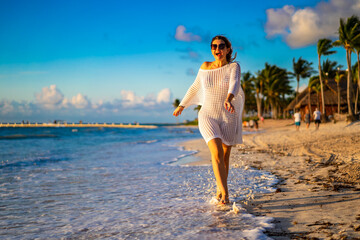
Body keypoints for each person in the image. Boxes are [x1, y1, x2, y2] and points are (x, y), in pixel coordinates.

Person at [173, 35, 244, 205]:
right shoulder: (205, 66)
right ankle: (226, 195)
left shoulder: (234, 66)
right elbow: (195, 86)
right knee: (216, 152)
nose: (217, 50)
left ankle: (220, 191)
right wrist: (183, 105)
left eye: (221, 46)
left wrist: (229, 98)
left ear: (228, 49)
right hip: (207, 115)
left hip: (228, 115)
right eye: (214, 46)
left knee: (225, 156)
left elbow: (235, 83)